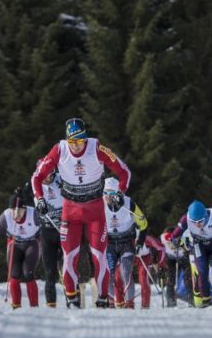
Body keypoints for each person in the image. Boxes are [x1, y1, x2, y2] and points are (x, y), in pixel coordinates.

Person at [31, 118, 131, 307]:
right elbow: (37, 176)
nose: (76, 147)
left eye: (79, 141)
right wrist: (39, 198)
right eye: (72, 142)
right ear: (66, 140)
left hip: (95, 211)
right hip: (70, 211)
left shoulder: (97, 148)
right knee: (69, 257)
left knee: (99, 257)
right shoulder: (59, 150)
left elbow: (124, 170)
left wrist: (120, 193)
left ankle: (102, 299)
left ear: (85, 138)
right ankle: (72, 298)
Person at [0, 188, 41, 308]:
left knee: (28, 273)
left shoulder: (33, 214)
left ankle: (34, 307)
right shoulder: (6, 216)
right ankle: (16, 306)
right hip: (14, 243)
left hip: (32, 243)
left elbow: (47, 230)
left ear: (25, 209)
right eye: (13, 210)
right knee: (14, 274)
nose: (16, 214)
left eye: (20, 210)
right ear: (9, 209)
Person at [171, 200, 212, 307]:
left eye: (200, 221)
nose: (197, 224)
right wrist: (177, 241)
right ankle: (205, 299)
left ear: (205, 215)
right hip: (199, 244)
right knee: (201, 270)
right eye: (194, 221)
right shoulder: (185, 219)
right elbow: (174, 236)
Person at [103, 178, 148, 308]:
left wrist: (140, 243)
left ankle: (129, 304)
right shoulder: (99, 203)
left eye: (110, 194)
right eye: (105, 193)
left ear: (117, 193)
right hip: (109, 243)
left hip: (126, 242)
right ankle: (111, 303)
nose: (107, 197)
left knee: (126, 271)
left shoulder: (129, 204)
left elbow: (144, 224)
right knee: (109, 272)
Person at [34, 160, 64, 307]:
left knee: (67, 269)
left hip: (65, 230)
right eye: (43, 176)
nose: (46, 179)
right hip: (47, 232)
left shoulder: (61, 179)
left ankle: (74, 300)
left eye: (49, 175)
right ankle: (50, 305)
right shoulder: (36, 182)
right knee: (50, 272)